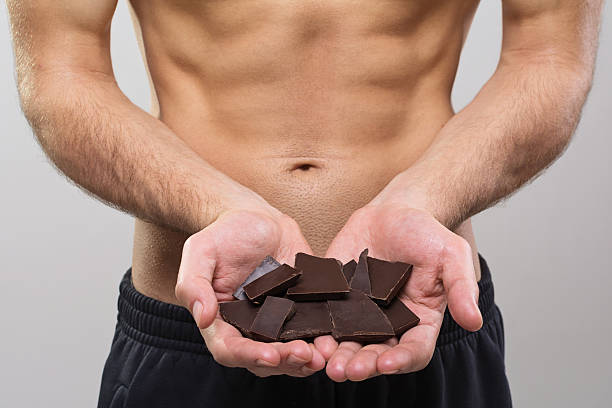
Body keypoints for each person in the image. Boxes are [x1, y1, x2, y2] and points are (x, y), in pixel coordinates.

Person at [6, 0, 603, 407]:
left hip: (417, 311)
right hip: (202, 318)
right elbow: (63, 75)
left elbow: (548, 60)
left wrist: (422, 201)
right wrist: (219, 208)